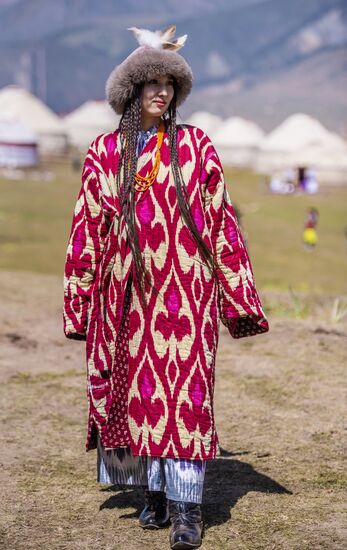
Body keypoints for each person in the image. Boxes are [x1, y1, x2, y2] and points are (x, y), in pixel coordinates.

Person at [63, 24, 269, 550]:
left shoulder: (196, 146)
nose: (161, 91)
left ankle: (185, 511)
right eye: (151, 81)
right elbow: (86, 226)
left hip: (187, 295)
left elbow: (222, 221)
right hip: (124, 297)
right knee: (133, 397)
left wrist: (238, 297)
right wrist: (79, 300)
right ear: (130, 89)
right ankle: (150, 492)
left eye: (169, 83)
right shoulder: (104, 152)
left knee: (184, 398)